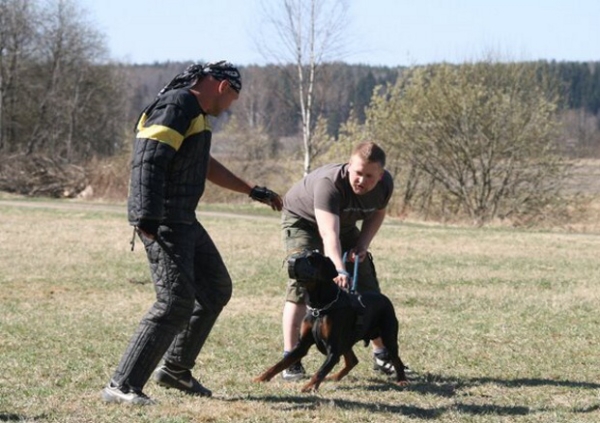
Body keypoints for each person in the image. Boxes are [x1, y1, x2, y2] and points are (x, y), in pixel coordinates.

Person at [102, 61, 283, 405]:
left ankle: (175, 369)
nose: (230, 107)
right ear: (222, 87)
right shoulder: (177, 105)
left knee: (215, 289)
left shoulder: (195, 115)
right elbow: (149, 159)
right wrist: (146, 216)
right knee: (174, 302)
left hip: (184, 218)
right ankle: (121, 385)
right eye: (233, 99)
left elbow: (204, 164)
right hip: (164, 219)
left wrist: (250, 190)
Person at [280, 141, 405, 380]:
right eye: (358, 173)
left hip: (343, 223)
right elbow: (329, 235)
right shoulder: (330, 184)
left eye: (370, 176)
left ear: (380, 176)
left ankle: (382, 355)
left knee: (367, 283)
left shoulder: (384, 186)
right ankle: (292, 358)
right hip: (303, 221)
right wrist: (338, 268)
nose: (362, 180)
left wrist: (362, 245)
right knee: (303, 281)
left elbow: (378, 212)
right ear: (349, 167)